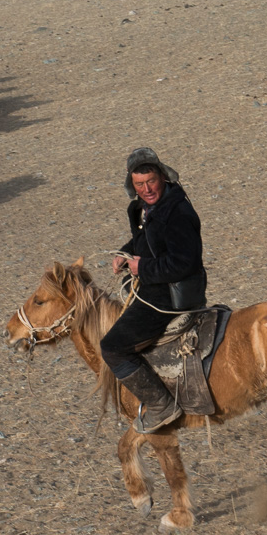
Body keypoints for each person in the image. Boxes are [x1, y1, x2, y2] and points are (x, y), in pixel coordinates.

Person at [98, 147, 207, 433]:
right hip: (155, 285)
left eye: (152, 182)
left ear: (163, 176)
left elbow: (185, 263)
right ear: (131, 185)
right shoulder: (142, 208)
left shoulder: (177, 211)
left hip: (170, 295)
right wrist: (126, 252)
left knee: (112, 347)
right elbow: (147, 241)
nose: (146, 189)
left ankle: (161, 404)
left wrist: (142, 269)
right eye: (139, 184)